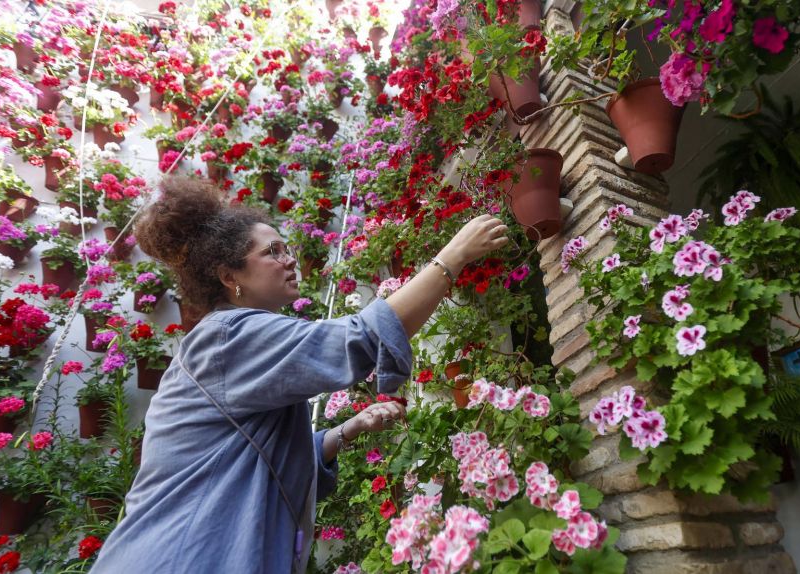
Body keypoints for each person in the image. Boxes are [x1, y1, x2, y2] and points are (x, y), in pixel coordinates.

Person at [90, 176, 510, 573]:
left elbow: (249, 459)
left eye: (287, 248)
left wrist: (343, 432)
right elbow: (362, 339)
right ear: (229, 276)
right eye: (272, 251)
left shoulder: (228, 341)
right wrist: (453, 255)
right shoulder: (229, 337)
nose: (289, 259)